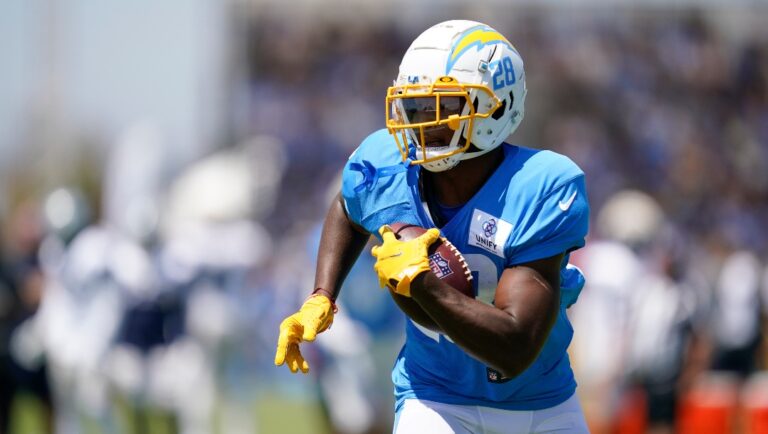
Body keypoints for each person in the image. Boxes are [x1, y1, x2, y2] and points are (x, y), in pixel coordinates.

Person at [275, 20, 591, 433]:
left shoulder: (540, 185)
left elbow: (514, 349)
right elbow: (348, 204)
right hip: (434, 399)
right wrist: (323, 295)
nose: (424, 122)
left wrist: (421, 282)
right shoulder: (385, 165)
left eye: (443, 107)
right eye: (417, 106)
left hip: (540, 404)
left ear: (495, 106)